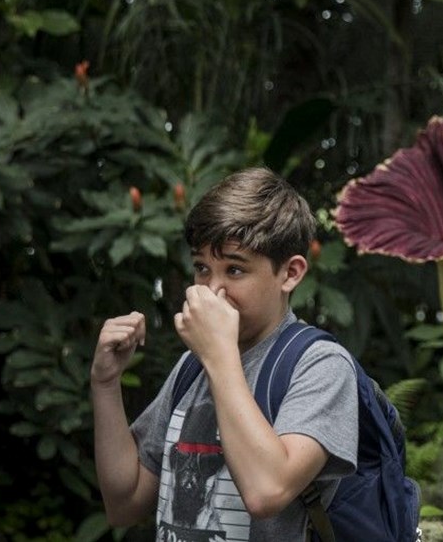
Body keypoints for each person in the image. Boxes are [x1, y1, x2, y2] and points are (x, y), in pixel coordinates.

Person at [91, 167, 359, 541]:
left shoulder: (320, 366)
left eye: (234, 269)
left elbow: (267, 491)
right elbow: (125, 503)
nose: (212, 291)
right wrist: (106, 384)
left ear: (291, 273)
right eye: (202, 268)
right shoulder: (193, 365)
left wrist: (218, 355)